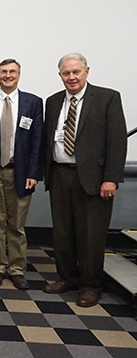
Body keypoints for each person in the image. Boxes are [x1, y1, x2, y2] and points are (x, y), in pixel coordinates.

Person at [42, 53, 127, 307]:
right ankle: (67, 278)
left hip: (94, 178)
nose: (71, 77)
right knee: (63, 232)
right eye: (66, 73)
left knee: (91, 235)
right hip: (60, 174)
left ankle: (90, 285)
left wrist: (111, 178)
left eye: (76, 72)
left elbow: (117, 141)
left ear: (87, 71)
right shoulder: (53, 101)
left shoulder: (107, 98)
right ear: (60, 76)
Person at [0, 59, 44, 290]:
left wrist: (34, 172)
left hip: (20, 173)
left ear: (19, 75)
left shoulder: (33, 102)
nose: (7, 75)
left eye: (12, 72)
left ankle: (17, 268)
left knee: (17, 225)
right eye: (3, 72)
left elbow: (38, 140)